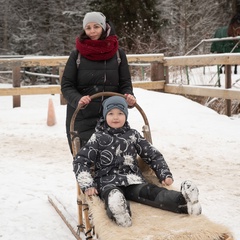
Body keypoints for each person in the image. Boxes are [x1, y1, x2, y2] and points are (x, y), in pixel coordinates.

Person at [73, 96, 202, 227]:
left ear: (126, 115)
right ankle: (120, 213)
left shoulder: (133, 135)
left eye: (120, 113)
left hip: (132, 180)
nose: (115, 117)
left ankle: (184, 202)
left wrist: (164, 173)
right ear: (105, 116)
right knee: (112, 195)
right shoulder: (98, 137)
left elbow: (153, 154)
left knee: (152, 192)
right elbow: (81, 161)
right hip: (108, 182)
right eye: (111, 113)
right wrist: (88, 184)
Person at [61, 12, 136, 153]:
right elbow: (67, 85)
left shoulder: (118, 55)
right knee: (86, 163)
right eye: (88, 28)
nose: (92, 31)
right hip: (82, 118)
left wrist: (128, 96)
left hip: (111, 116)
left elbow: (125, 83)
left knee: (114, 163)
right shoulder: (76, 55)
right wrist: (78, 99)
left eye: (96, 26)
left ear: (103, 27)